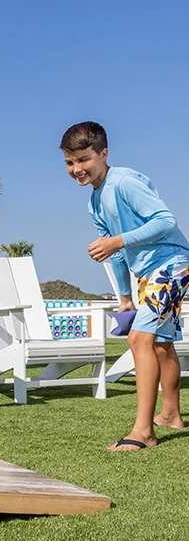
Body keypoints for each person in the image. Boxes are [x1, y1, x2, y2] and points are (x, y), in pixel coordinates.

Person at [61, 121, 189, 451]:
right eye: (70, 162)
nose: (77, 169)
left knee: (139, 339)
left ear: (103, 154)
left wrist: (118, 241)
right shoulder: (94, 201)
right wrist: (124, 297)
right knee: (161, 345)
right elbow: (114, 252)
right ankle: (171, 413)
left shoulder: (125, 182)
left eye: (84, 159)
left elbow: (166, 221)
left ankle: (143, 432)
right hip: (148, 274)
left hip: (172, 264)